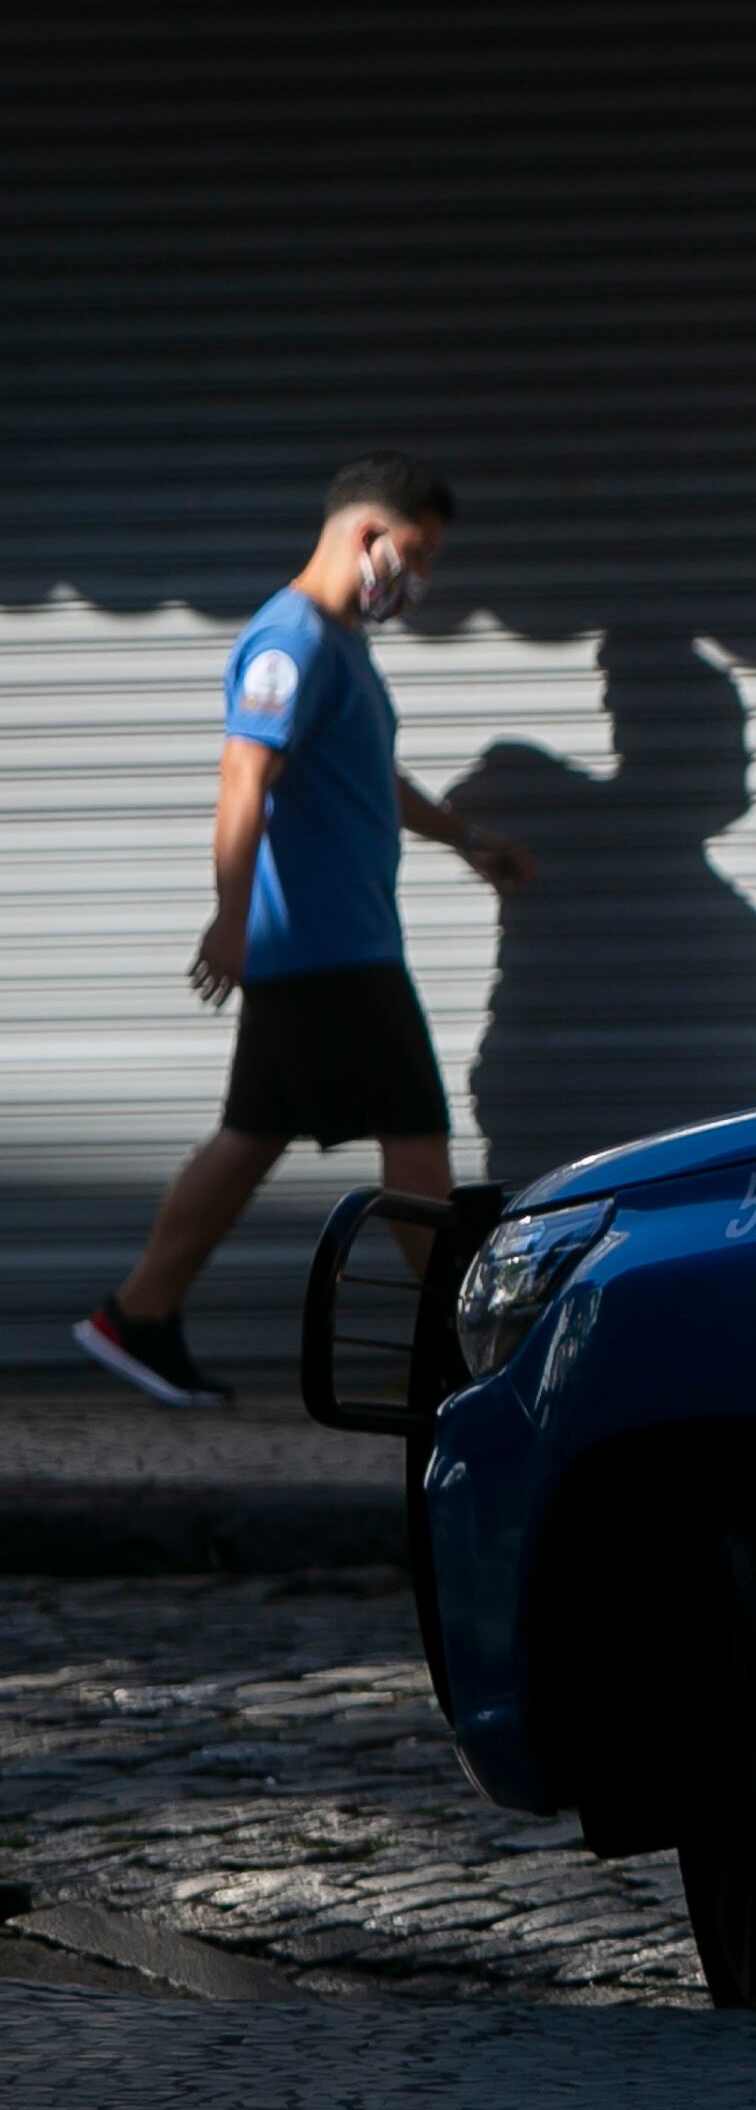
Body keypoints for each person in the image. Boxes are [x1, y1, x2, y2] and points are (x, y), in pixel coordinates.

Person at [72, 454, 535, 1407]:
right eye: (416, 553)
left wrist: (469, 838)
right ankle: (470, 1341)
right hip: (329, 951)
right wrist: (231, 920)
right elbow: (244, 777)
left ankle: (137, 1314)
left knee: (253, 1135)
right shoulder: (290, 642)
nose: (420, 579)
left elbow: (376, 784)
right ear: (370, 535)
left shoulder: (342, 645)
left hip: (333, 946)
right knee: (415, 1134)